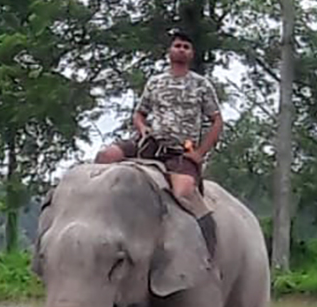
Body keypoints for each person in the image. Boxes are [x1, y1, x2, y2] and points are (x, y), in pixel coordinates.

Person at [94, 29, 224, 256]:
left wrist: (200, 153)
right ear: (169, 51)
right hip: (150, 144)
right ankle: (98, 218)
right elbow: (139, 114)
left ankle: (210, 242)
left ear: (191, 54)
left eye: (186, 46)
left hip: (179, 152)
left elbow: (217, 121)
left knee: (184, 193)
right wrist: (143, 129)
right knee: (106, 157)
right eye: (177, 45)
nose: (181, 49)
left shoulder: (201, 85)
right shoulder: (155, 83)